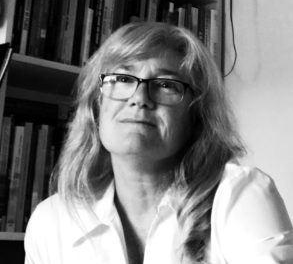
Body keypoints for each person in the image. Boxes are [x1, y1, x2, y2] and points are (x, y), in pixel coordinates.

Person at [24, 22, 293, 264]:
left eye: (165, 84)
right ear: (96, 106)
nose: (140, 97)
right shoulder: (51, 221)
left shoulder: (240, 194)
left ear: (197, 114)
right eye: (122, 79)